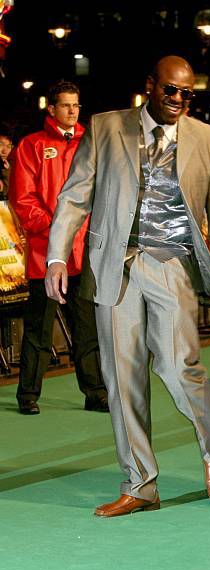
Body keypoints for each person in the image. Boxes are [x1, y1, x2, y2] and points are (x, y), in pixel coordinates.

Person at [45, 56, 210, 517]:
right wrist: (58, 254)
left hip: (171, 264)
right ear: (150, 86)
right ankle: (140, 485)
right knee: (121, 378)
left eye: (187, 94)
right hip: (115, 265)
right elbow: (76, 195)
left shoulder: (209, 139)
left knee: (181, 368)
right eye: (171, 91)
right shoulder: (106, 126)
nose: (178, 100)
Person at [9, 80, 108, 416]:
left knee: (87, 326)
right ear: (50, 108)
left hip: (84, 250)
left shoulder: (91, 143)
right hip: (45, 253)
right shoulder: (31, 146)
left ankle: (95, 391)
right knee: (39, 328)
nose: (72, 111)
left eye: (76, 105)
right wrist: (56, 229)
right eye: (65, 105)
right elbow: (22, 199)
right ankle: (28, 395)